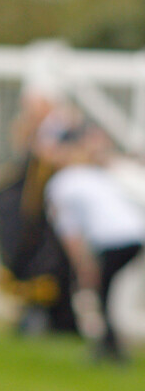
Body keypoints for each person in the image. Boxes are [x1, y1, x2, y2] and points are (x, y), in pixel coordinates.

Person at [44, 120, 144, 362]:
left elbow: (71, 233)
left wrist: (84, 265)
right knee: (107, 292)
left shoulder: (61, 183)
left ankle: (109, 346)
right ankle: (110, 343)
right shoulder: (97, 174)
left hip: (115, 239)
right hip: (135, 234)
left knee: (101, 291)